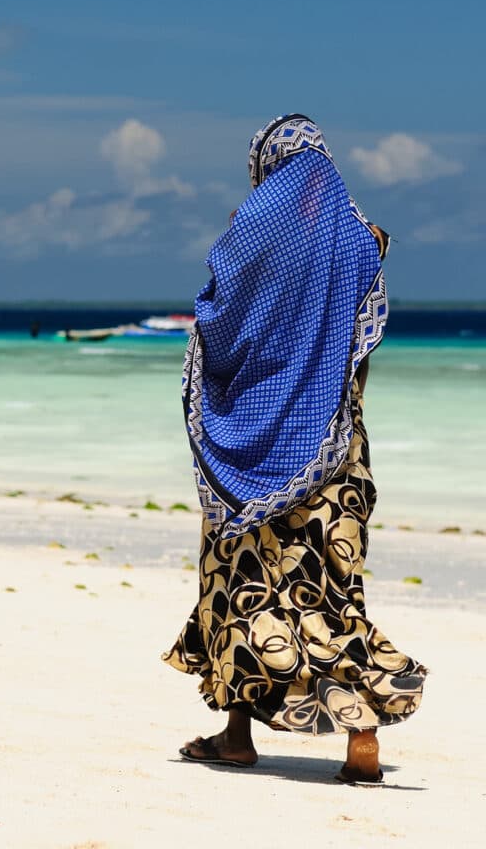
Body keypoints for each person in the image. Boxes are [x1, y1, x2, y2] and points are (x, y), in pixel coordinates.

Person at [163, 114, 426, 786]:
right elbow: (361, 338)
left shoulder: (248, 236)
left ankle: (236, 735)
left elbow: (217, 325)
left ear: (265, 170)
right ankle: (361, 738)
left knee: (240, 587)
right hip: (337, 456)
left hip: (251, 457)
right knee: (332, 593)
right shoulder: (364, 241)